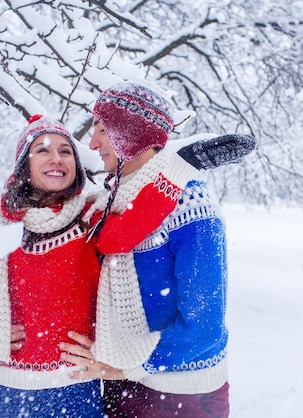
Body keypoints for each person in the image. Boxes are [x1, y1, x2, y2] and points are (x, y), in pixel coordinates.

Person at [0, 109, 253, 417]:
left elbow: (135, 222)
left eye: (66, 150)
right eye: (42, 150)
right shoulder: (3, 224)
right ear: (24, 166)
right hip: (6, 389)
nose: (56, 157)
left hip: (75, 390)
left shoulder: (95, 216)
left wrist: (179, 166)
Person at [59, 81, 255, 417]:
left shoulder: (190, 207)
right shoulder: (116, 203)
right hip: (125, 385)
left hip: (180, 395)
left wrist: (124, 369)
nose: (93, 143)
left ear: (130, 133)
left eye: (103, 130)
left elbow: (203, 327)